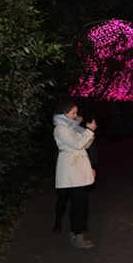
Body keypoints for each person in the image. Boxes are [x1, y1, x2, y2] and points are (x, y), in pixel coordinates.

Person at [53, 100, 97, 249]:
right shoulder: (60, 129)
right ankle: (76, 236)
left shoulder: (71, 128)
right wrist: (88, 131)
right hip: (71, 169)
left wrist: (90, 133)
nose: (76, 115)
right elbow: (77, 145)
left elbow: (85, 144)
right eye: (73, 113)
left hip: (77, 167)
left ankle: (78, 234)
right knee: (78, 204)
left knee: (81, 203)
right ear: (65, 113)